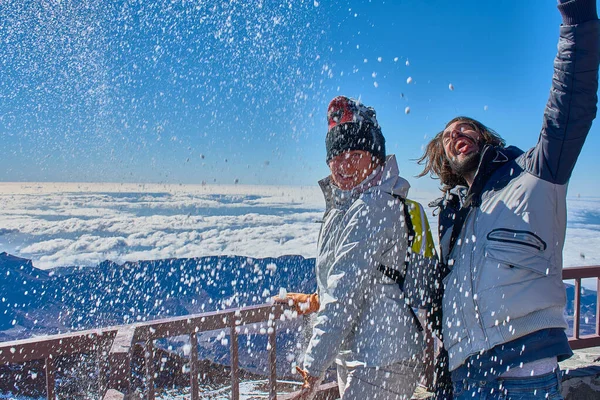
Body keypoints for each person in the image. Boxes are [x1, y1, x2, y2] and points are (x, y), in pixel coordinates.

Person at [417, 1, 599, 398]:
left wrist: (578, 19)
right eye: (447, 136)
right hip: (466, 376)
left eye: (464, 128)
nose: (455, 135)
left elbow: (570, 106)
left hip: (524, 371)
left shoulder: (536, 174)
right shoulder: (454, 218)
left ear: (484, 138)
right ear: (444, 159)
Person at [279, 96, 437, 400]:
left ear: (375, 157)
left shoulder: (371, 207)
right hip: (369, 354)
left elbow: (344, 295)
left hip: (380, 357)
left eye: (354, 152)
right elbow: (360, 279)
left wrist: (311, 370)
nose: (342, 164)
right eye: (335, 155)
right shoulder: (350, 205)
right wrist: (317, 300)